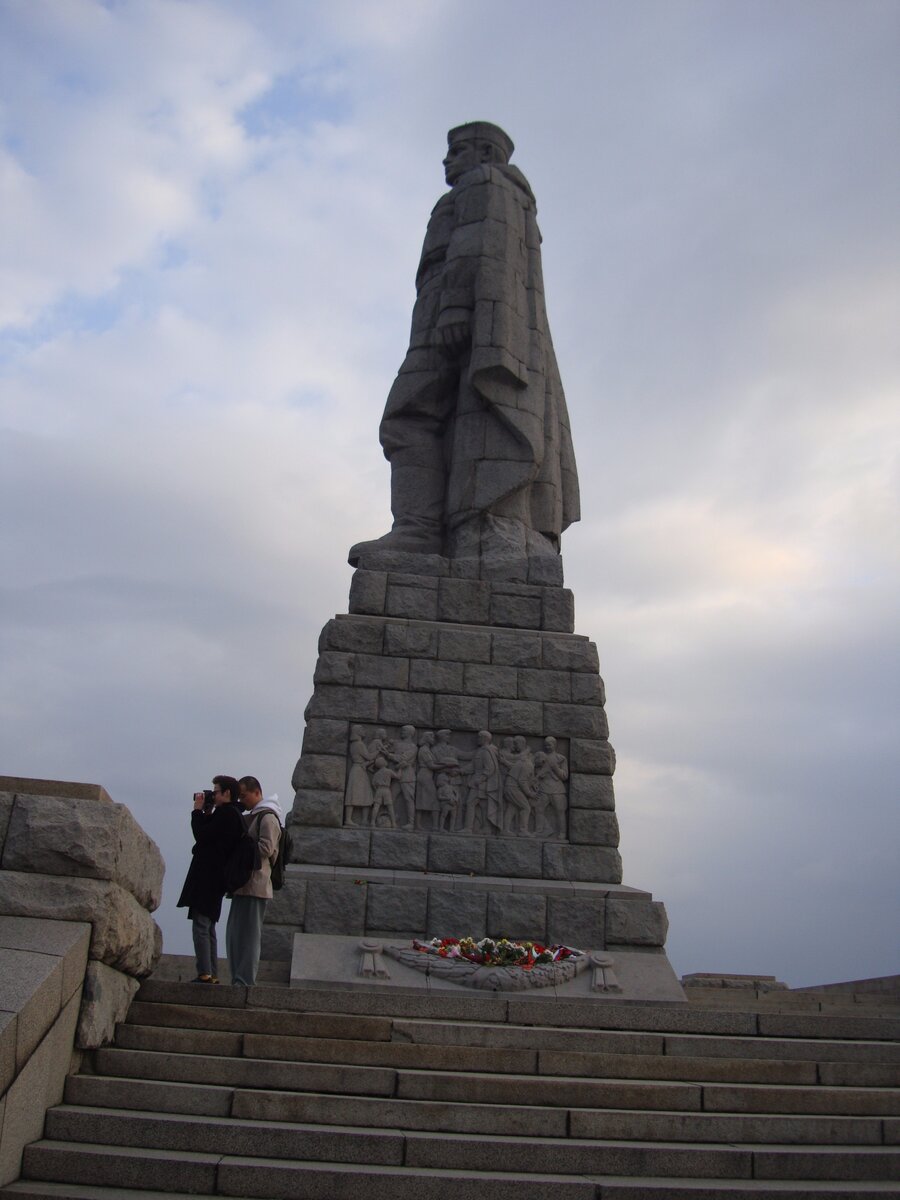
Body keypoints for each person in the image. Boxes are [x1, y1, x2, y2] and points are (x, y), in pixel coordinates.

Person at [349, 121, 579, 569]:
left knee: (407, 415)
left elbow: (479, 240)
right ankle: (426, 531)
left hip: (453, 315)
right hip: (451, 313)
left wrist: (456, 307)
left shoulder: (485, 182)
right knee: (437, 418)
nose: (447, 160)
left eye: (457, 150)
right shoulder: (501, 192)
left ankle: (418, 531)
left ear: (486, 153)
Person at [176, 775, 245, 984]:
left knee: (201, 924)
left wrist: (197, 811)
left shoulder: (227, 814)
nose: (212, 795)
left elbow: (202, 835)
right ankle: (211, 973)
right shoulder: (232, 814)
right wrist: (207, 813)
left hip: (208, 876)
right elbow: (211, 835)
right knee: (209, 925)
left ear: (227, 793)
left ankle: (204, 973)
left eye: (215, 792)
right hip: (216, 877)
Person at [225, 776, 283, 986]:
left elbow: (267, 848)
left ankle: (244, 980)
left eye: (244, 796)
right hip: (243, 885)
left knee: (248, 937)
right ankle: (237, 978)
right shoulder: (255, 815)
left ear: (257, 792)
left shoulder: (268, 817)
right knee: (234, 935)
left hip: (256, 885)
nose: (242, 800)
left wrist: (240, 851)